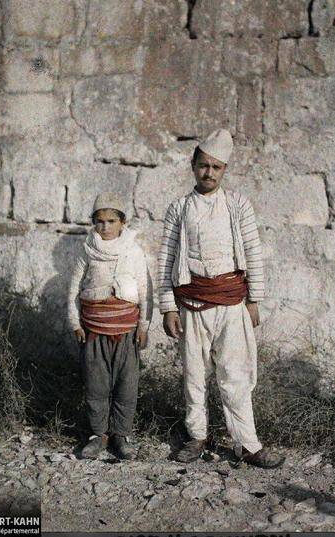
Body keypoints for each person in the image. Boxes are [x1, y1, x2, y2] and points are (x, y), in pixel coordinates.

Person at [157, 129, 284, 468]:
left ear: (225, 169)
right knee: (194, 376)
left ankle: (247, 444)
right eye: (203, 166)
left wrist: (254, 298)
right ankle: (197, 436)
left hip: (231, 303)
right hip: (192, 305)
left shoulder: (237, 204)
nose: (209, 173)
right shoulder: (180, 208)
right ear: (193, 166)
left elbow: (253, 254)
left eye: (216, 167)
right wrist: (168, 306)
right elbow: (166, 258)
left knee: (236, 376)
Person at [68, 193, 152, 460]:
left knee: (127, 386)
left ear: (122, 222)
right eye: (100, 221)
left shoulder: (133, 251)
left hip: (126, 331)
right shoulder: (87, 250)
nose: (105, 227)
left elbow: (144, 289)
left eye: (111, 221)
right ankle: (98, 435)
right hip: (94, 331)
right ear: (93, 223)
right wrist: (75, 322)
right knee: (96, 385)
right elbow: (73, 289)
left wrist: (143, 326)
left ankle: (121, 435)